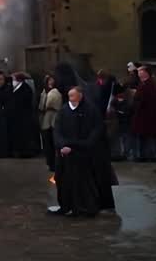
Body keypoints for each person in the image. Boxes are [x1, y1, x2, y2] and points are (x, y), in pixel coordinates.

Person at [51, 86, 107, 217]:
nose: (70, 99)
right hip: (64, 153)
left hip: (82, 153)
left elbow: (95, 131)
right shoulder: (64, 110)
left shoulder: (91, 110)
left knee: (83, 181)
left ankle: (85, 207)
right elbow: (57, 130)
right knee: (62, 179)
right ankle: (65, 205)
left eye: (73, 96)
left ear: (80, 96)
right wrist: (62, 145)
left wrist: (76, 146)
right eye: (69, 96)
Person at [130, 65, 156, 162]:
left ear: (145, 73)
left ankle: (147, 155)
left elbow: (147, 100)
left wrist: (136, 100)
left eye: (140, 71)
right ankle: (143, 155)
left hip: (146, 116)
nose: (138, 73)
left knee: (147, 137)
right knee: (142, 136)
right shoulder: (143, 84)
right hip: (142, 115)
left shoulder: (149, 85)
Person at [7, 72, 38, 158]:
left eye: (13, 79)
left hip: (23, 116)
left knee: (24, 135)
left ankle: (25, 152)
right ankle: (18, 151)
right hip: (16, 116)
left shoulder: (26, 89)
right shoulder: (13, 88)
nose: (12, 81)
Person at [39, 75, 63, 172]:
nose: (51, 82)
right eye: (49, 80)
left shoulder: (56, 92)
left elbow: (51, 104)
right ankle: (50, 162)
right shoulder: (44, 92)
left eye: (52, 80)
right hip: (46, 119)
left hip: (54, 118)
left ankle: (56, 163)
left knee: (54, 142)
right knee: (47, 143)